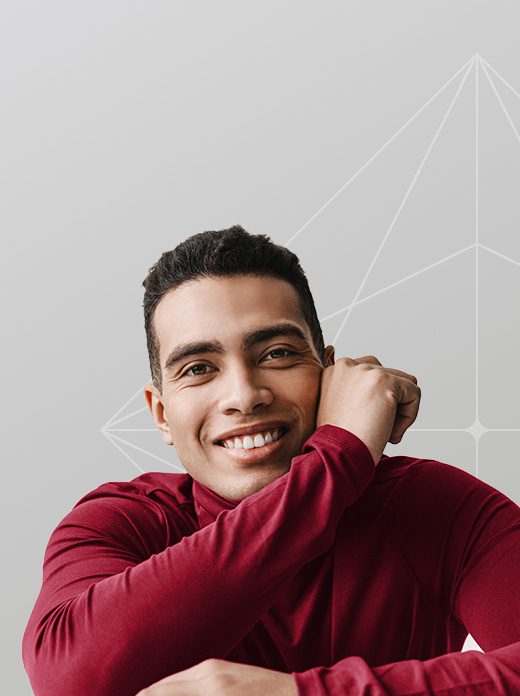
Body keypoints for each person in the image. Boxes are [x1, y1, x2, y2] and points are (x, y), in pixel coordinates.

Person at [22, 225, 520, 696]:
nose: (244, 395)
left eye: (277, 353)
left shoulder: (435, 507)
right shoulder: (119, 522)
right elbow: (72, 680)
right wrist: (339, 457)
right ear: (161, 414)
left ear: (330, 375)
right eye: (198, 368)